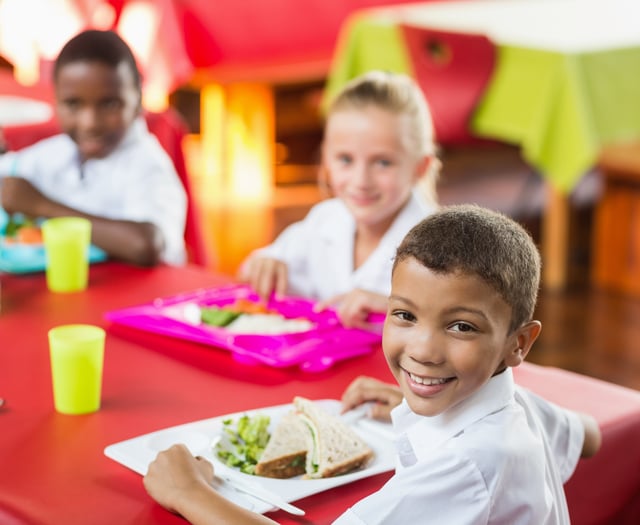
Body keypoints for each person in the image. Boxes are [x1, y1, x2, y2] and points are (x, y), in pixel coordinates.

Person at [143, 205, 601, 525]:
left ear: (518, 344)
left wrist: (189, 492)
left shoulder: (471, 463)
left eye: (461, 327)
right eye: (404, 315)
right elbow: (589, 435)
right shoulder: (517, 405)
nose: (423, 350)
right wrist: (419, 394)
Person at [238, 71, 439, 328]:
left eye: (383, 162)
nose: (361, 180)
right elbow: (255, 268)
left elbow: (460, 326)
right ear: (326, 159)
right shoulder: (326, 219)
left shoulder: (440, 246)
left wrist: (400, 311)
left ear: (419, 168)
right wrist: (264, 264)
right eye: (345, 159)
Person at [0, 30, 187, 266]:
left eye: (109, 104)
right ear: (55, 101)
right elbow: (9, 179)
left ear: (138, 98)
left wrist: (41, 206)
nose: (90, 123)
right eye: (73, 104)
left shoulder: (148, 164)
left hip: (144, 298)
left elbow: (146, 244)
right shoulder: (61, 151)